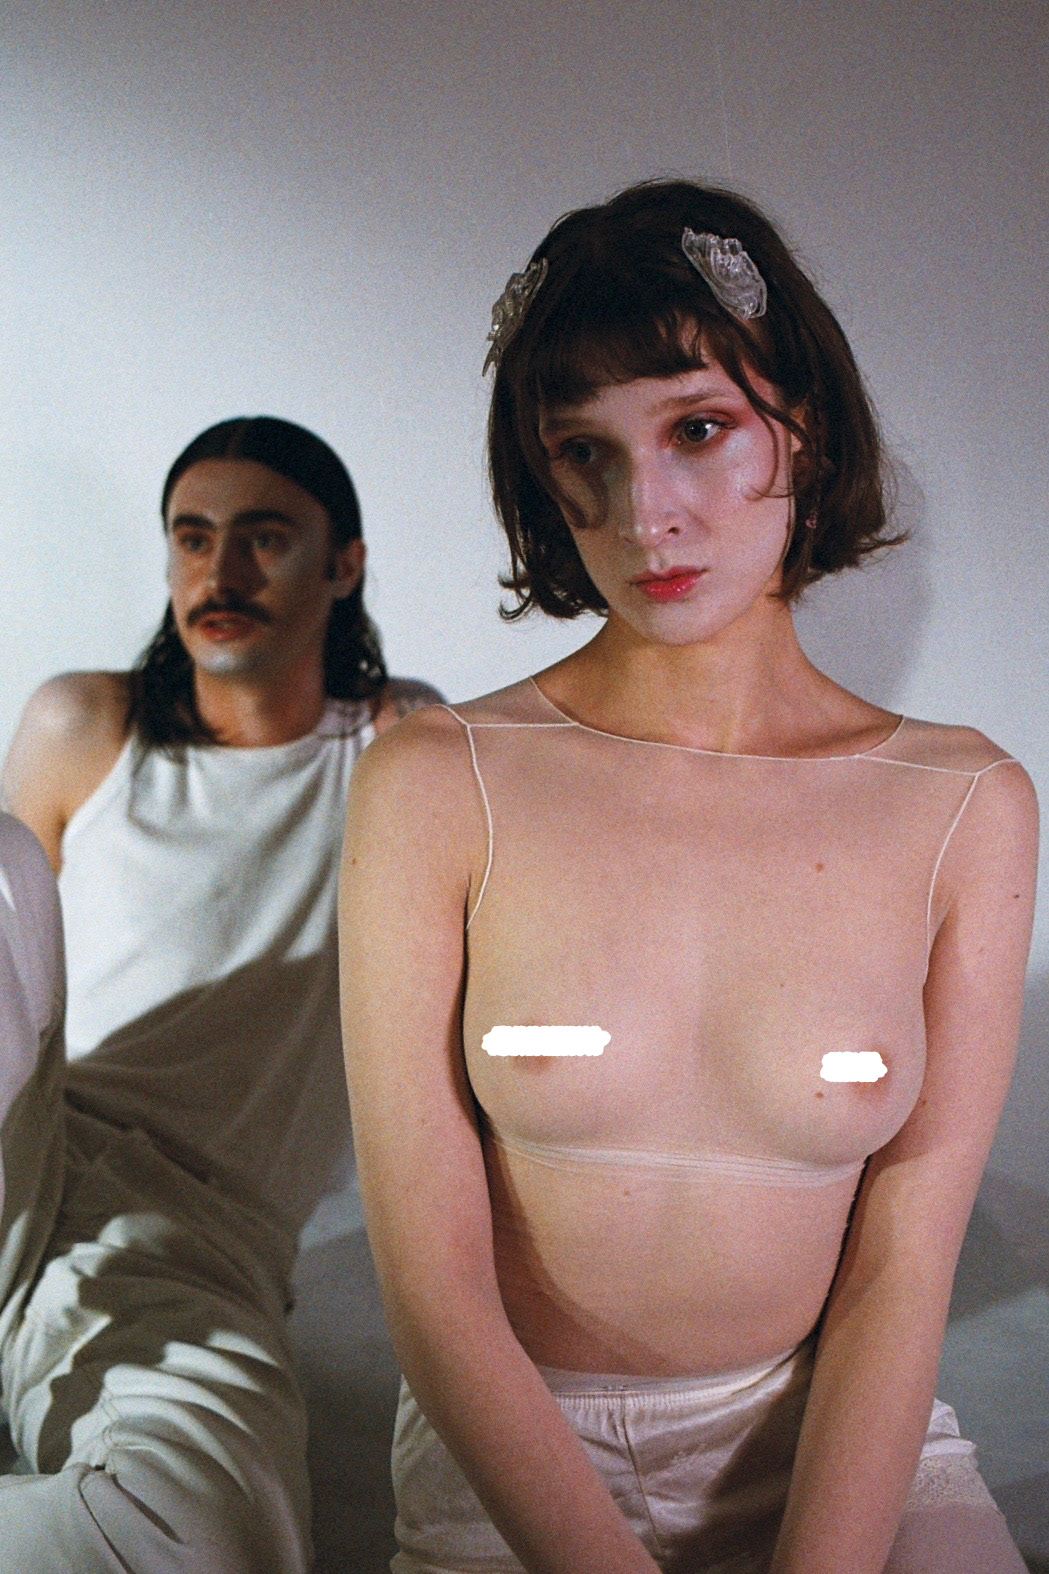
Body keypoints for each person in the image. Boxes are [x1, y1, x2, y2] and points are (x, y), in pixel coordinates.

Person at [339, 184, 1039, 1574]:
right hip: (512, 1460)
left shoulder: (965, 805)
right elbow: (432, 1285)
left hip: (827, 1429)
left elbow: (901, 1268)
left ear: (803, 423)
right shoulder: (434, 780)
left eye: (696, 429)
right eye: (582, 452)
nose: (641, 511)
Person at [0, 414, 440, 1571]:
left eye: (264, 538)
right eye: (192, 538)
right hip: (22, 1141)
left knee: (209, 1537)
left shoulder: (398, 752)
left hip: (181, 1237)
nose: (219, 570)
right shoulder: (85, 724)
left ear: (343, 564)